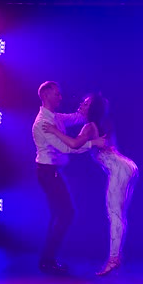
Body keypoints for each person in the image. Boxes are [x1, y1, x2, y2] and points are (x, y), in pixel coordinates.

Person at [43, 92, 138, 276]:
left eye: (86, 103)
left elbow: (74, 146)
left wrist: (54, 131)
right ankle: (117, 256)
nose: (81, 104)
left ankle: (113, 260)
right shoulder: (104, 124)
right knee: (120, 215)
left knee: (115, 214)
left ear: (92, 108)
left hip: (120, 169)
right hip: (128, 166)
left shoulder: (89, 127)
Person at [32, 81, 106, 274]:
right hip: (48, 172)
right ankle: (47, 261)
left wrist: (89, 107)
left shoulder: (55, 117)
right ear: (46, 95)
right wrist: (93, 143)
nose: (61, 97)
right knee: (66, 214)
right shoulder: (43, 123)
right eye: (57, 94)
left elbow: (75, 118)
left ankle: (47, 259)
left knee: (60, 214)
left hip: (52, 172)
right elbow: (67, 147)